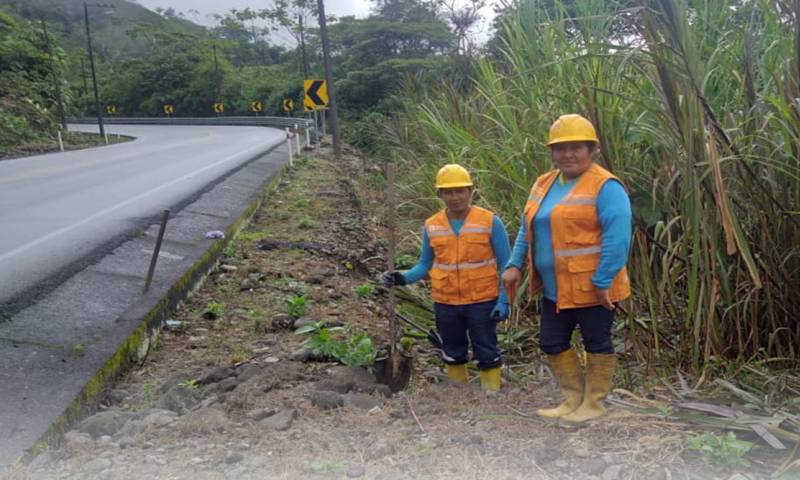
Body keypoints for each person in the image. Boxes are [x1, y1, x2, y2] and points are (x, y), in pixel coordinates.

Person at [502, 114, 632, 422]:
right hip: (555, 288)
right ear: (551, 152)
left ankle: (594, 404)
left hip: (594, 289)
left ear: (592, 150)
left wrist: (602, 280)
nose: (568, 154)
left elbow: (619, 237)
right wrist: (514, 263)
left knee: (597, 343)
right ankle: (572, 398)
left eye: (576, 147)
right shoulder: (544, 183)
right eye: (560, 148)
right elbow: (527, 226)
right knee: (551, 341)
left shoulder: (606, 186)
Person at [383, 164, 511, 391]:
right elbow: (425, 264)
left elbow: (507, 266)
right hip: (446, 301)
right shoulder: (432, 225)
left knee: (486, 348)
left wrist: (504, 299)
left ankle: (491, 396)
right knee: (452, 350)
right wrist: (402, 278)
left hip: (482, 300)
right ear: (440, 194)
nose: (455, 197)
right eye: (448, 192)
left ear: (471, 191)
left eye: (460, 190)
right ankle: (458, 395)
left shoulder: (490, 222)